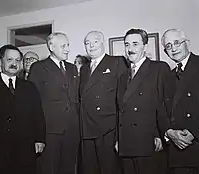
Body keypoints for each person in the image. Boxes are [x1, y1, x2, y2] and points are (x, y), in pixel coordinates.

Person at [0, 44, 46, 174]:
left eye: (17, 60)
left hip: (24, 150)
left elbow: (38, 114)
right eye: (9, 60)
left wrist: (40, 139)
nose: (14, 64)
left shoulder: (30, 87)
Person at [116, 28, 174, 174]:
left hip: (149, 142)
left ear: (145, 46)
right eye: (127, 44)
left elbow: (166, 106)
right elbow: (120, 111)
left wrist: (160, 135)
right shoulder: (122, 76)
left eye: (135, 44)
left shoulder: (159, 68)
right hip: (126, 144)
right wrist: (118, 139)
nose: (130, 49)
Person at [28, 32, 80, 174]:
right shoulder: (39, 68)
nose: (67, 49)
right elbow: (32, 103)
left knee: (69, 168)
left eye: (68, 45)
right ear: (51, 47)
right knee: (48, 169)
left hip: (72, 131)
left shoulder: (72, 68)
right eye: (63, 46)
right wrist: (36, 134)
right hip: (50, 131)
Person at [79, 31, 124, 174]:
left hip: (108, 129)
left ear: (103, 42)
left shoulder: (117, 62)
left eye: (95, 42)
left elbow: (124, 100)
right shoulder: (84, 68)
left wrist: (120, 135)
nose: (91, 46)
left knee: (109, 169)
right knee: (89, 169)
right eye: (87, 43)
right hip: (86, 128)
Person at [162, 29, 199, 174]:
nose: (173, 48)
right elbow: (163, 110)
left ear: (187, 43)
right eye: (169, 46)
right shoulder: (168, 77)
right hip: (179, 154)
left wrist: (194, 132)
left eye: (177, 42)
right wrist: (169, 132)